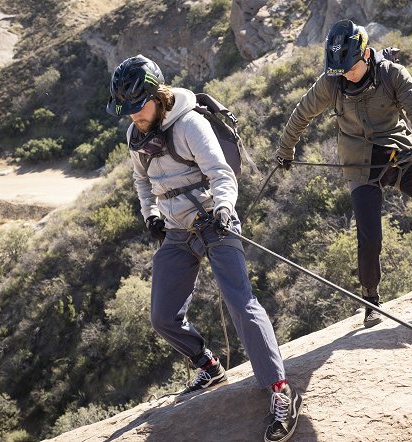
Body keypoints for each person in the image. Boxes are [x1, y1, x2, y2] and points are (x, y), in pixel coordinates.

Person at [107, 55, 302, 442]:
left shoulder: (190, 124)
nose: (132, 116)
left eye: (137, 106)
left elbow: (221, 174)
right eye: (126, 110)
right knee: (162, 316)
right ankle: (208, 364)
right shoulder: (136, 136)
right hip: (177, 231)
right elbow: (141, 181)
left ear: (157, 96)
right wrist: (151, 216)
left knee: (241, 303)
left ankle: (281, 391)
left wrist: (225, 209)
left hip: (215, 222)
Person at [275, 20, 412, 328]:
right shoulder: (332, 81)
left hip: (398, 156)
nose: (347, 75)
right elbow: (301, 114)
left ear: (366, 55)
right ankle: (370, 301)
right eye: (341, 70)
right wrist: (286, 150)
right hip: (360, 166)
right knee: (370, 237)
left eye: (351, 68)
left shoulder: (392, 75)